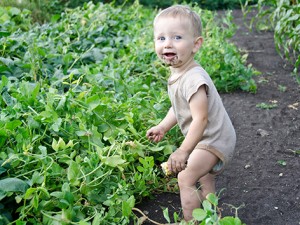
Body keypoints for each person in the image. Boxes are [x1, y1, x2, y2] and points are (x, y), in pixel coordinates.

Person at [146, 5, 236, 224]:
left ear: (196, 44)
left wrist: (183, 151)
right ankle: (211, 217)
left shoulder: (194, 79)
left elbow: (200, 118)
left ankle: (191, 221)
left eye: (177, 37)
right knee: (204, 180)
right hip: (207, 136)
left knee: (185, 177)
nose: (167, 43)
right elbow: (179, 108)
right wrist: (163, 127)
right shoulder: (179, 72)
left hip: (213, 138)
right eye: (161, 38)